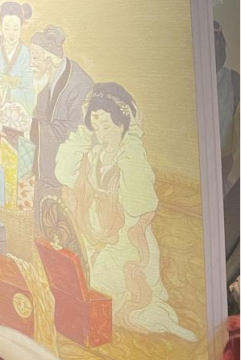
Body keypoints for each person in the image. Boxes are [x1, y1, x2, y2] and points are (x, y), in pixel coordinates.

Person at [55, 83, 196, 341]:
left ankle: (157, 319)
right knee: (72, 275)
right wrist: (84, 133)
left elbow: (139, 204)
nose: (101, 133)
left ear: (122, 124)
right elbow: (63, 173)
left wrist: (132, 140)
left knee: (114, 294)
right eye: (95, 126)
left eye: (106, 125)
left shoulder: (131, 158)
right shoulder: (94, 155)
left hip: (126, 243)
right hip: (94, 235)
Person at [28, 25, 93, 221]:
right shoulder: (48, 78)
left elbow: (76, 131)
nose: (31, 63)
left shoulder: (80, 84)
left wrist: (34, 127)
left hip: (67, 173)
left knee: (58, 224)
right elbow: (39, 116)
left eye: (35, 58)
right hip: (45, 167)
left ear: (49, 58)